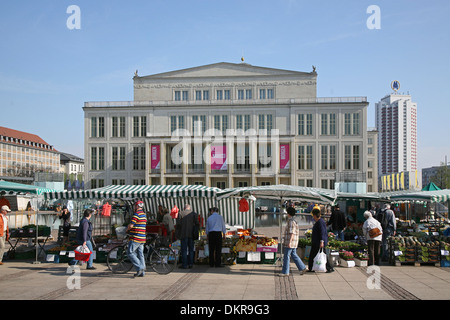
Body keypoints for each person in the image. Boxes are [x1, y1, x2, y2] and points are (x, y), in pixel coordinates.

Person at [280, 206, 307, 276]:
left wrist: (289, 242)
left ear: (288, 213)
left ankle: (285, 272)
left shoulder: (291, 222)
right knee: (294, 255)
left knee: (286, 256)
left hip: (290, 242)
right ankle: (302, 267)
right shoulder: (294, 221)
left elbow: (291, 232)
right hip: (294, 242)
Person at [309, 206, 334, 273]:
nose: (313, 217)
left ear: (314, 215)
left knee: (317, 254)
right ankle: (312, 267)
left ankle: (329, 267)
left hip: (318, 242)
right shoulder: (320, 221)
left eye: (313, 216)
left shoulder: (320, 222)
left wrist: (322, 241)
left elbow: (322, 232)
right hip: (317, 241)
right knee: (319, 254)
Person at [126, 200, 147, 277]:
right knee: (140, 254)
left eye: (135, 205)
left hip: (136, 237)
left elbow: (131, 225)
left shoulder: (136, 214)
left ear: (137, 206)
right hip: (142, 238)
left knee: (130, 252)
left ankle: (140, 267)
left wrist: (127, 229)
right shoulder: (144, 215)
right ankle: (142, 272)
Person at [176, 204, 199, 269]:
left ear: (184, 208)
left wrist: (177, 234)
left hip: (183, 235)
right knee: (191, 250)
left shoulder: (180, 214)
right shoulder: (194, 214)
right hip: (191, 235)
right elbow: (197, 224)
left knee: (184, 250)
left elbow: (178, 225)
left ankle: (184, 265)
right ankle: (191, 264)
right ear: (190, 208)